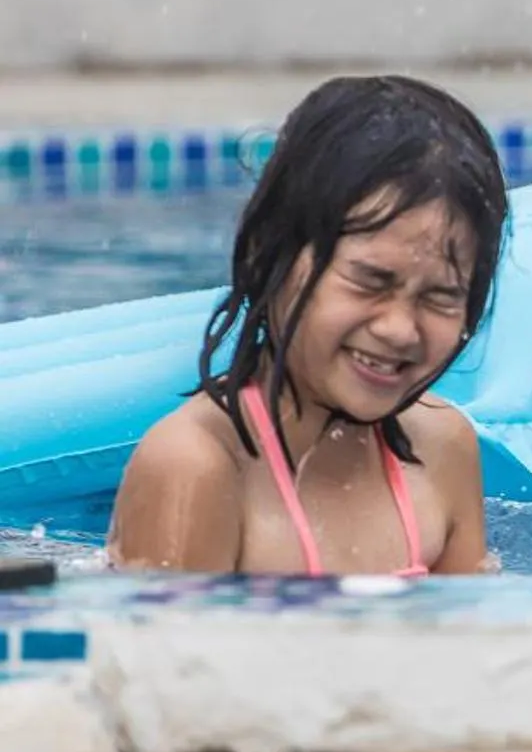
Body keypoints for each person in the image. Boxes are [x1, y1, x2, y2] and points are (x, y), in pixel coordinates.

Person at [108, 77, 504, 576]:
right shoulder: (197, 468)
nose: (400, 329)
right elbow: (168, 654)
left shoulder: (444, 447)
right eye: (369, 281)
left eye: (441, 297)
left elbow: (476, 646)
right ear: (270, 251)